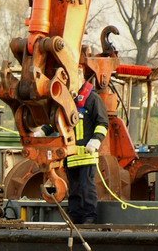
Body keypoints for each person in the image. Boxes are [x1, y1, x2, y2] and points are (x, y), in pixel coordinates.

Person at [33, 74, 108, 225]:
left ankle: (89, 217)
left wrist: (96, 140)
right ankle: (75, 217)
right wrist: (42, 132)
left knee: (86, 186)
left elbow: (102, 123)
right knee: (74, 188)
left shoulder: (93, 99)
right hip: (70, 154)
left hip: (86, 154)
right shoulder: (65, 101)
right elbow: (56, 121)